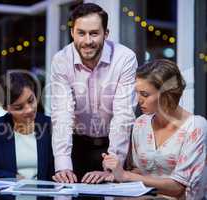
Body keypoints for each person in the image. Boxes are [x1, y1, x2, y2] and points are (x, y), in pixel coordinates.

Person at [51, 3, 137, 183]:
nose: (87, 40)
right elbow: (62, 113)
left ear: (106, 34)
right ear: (72, 32)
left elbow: (123, 114)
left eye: (94, 33)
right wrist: (63, 165)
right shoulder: (61, 60)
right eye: (81, 33)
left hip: (113, 145)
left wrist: (113, 166)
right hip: (77, 144)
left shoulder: (125, 58)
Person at [102, 59, 207, 199]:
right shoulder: (141, 123)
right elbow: (140, 172)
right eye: (137, 93)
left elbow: (178, 188)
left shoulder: (196, 127)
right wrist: (114, 172)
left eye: (145, 94)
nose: (138, 100)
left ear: (167, 94)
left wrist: (126, 175)